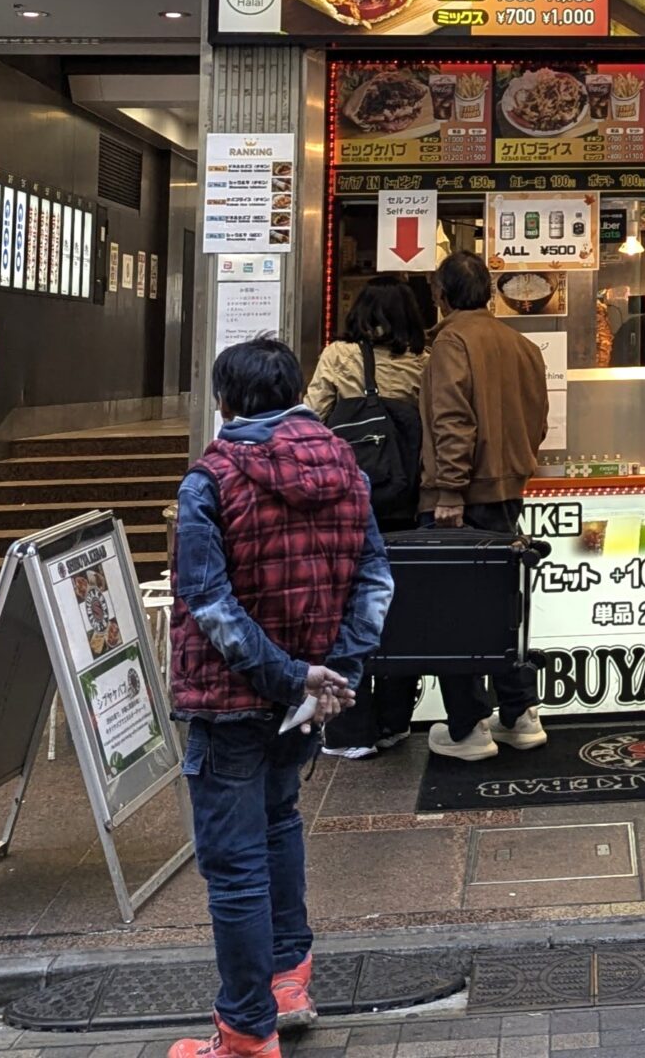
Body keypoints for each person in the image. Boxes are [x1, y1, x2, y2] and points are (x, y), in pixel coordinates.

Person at [168, 337, 394, 1058]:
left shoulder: (211, 478)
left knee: (235, 864)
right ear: (298, 391)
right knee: (280, 827)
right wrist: (334, 674)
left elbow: (207, 601)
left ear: (225, 402)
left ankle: (244, 1032)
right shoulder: (346, 467)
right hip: (308, 699)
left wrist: (289, 675)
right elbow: (375, 583)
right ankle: (289, 982)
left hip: (231, 698)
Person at [422, 250, 552, 762]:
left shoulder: (451, 341)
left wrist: (449, 489)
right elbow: (539, 420)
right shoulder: (521, 345)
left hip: (463, 497)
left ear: (442, 294)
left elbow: (452, 419)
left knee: (455, 614)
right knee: (505, 608)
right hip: (508, 494)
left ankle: (466, 728)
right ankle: (520, 714)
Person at [304, 278, 428, 759]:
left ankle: (351, 730)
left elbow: (312, 418)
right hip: (403, 504)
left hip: (347, 507)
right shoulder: (423, 364)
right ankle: (395, 721)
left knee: (345, 616)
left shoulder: (337, 357)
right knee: (400, 612)